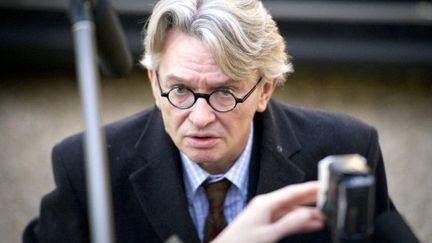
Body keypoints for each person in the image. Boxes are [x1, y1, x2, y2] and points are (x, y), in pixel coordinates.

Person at [24, 0, 394, 242]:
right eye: (180, 90)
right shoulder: (87, 169)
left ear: (265, 90)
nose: (200, 118)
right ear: (155, 83)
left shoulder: (346, 148)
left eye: (224, 92)